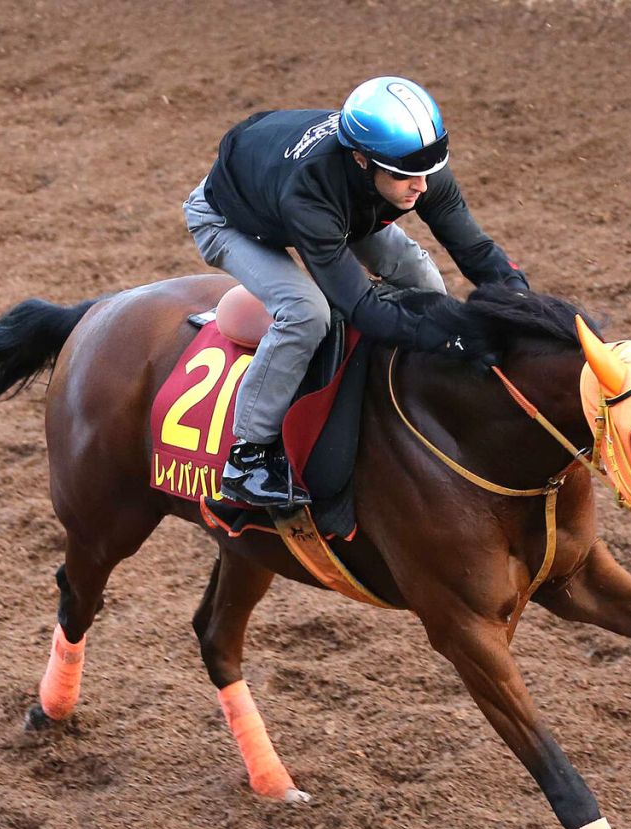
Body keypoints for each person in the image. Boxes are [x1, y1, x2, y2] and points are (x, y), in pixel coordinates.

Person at [183, 75, 528, 508]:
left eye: (427, 171)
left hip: (337, 204)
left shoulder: (413, 166)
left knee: (422, 277)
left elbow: (473, 249)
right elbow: (360, 306)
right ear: (362, 159)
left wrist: (520, 302)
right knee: (307, 312)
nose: (421, 186)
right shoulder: (310, 192)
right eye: (405, 176)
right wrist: (448, 337)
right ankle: (248, 456)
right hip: (231, 220)